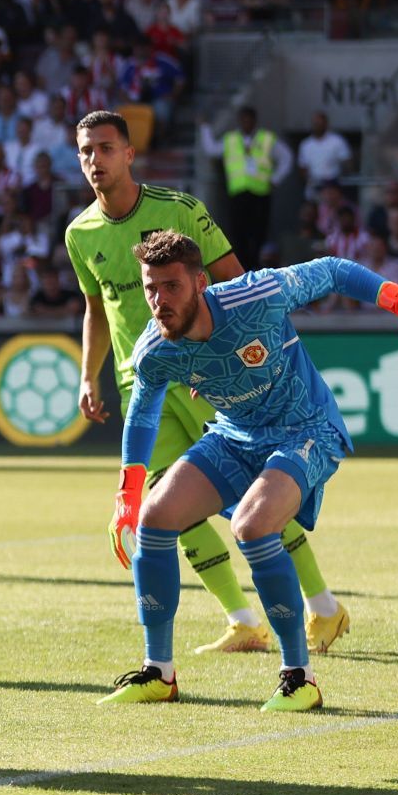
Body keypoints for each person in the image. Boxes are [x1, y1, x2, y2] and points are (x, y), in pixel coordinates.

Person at [101, 229, 398, 710]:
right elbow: (142, 415)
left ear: (201, 282)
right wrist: (128, 494)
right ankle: (159, 672)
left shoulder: (256, 296)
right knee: (155, 518)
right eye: (150, 289)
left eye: (171, 287)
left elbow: (332, 270)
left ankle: (298, 678)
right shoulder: (155, 350)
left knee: (252, 525)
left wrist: (397, 299)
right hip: (235, 436)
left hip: (306, 429)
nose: (159, 301)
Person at [68, 110, 342, 656]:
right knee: (166, 505)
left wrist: (229, 358)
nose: (94, 161)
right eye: (85, 152)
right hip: (140, 382)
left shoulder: (179, 210)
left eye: (104, 148)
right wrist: (88, 374)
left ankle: (322, 606)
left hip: (201, 375)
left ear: (128, 153)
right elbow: (95, 308)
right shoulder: (80, 233)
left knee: (253, 497)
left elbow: (235, 280)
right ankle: (242, 620)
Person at [199, 106, 289, 266]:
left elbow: (286, 157)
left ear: (255, 121)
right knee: (238, 233)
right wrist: (204, 127)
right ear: (239, 121)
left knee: (259, 233)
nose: (246, 123)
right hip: (238, 193)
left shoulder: (266, 138)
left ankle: (257, 266)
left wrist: (276, 179)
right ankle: (243, 268)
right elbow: (211, 149)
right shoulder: (231, 139)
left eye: (249, 120)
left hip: (260, 193)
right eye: (244, 120)